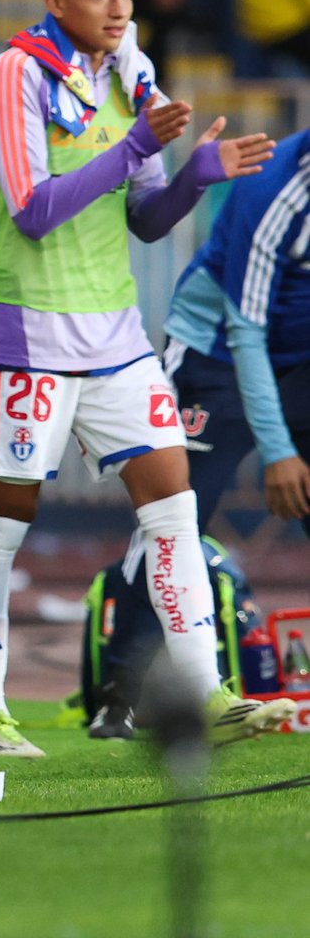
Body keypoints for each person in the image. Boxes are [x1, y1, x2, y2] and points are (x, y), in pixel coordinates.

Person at [0, 0, 295, 759]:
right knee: (2, 524)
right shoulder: (13, 76)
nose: (119, 8)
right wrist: (140, 145)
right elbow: (32, 209)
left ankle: (204, 691)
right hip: (26, 336)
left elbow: (144, 221)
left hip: (116, 338)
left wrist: (191, 178)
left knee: (173, 510)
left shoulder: (130, 72)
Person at [85, 127, 310, 737]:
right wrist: (281, 449)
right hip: (217, 354)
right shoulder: (276, 191)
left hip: (301, 359)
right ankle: (120, 697)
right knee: (175, 515)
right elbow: (248, 330)